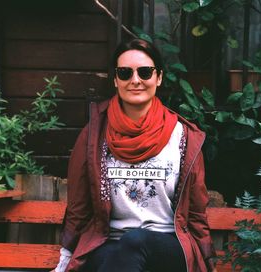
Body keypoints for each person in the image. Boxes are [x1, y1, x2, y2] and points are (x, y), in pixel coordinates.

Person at [54, 38, 217, 272]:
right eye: (125, 73)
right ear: (115, 80)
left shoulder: (183, 136)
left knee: (136, 241)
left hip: (169, 245)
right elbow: (79, 207)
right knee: (118, 253)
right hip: (109, 242)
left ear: (158, 77)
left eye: (145, 72)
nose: (135, 80)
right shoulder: (94, 134)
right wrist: (64, 262)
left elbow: (196, 211)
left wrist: (207, 261)